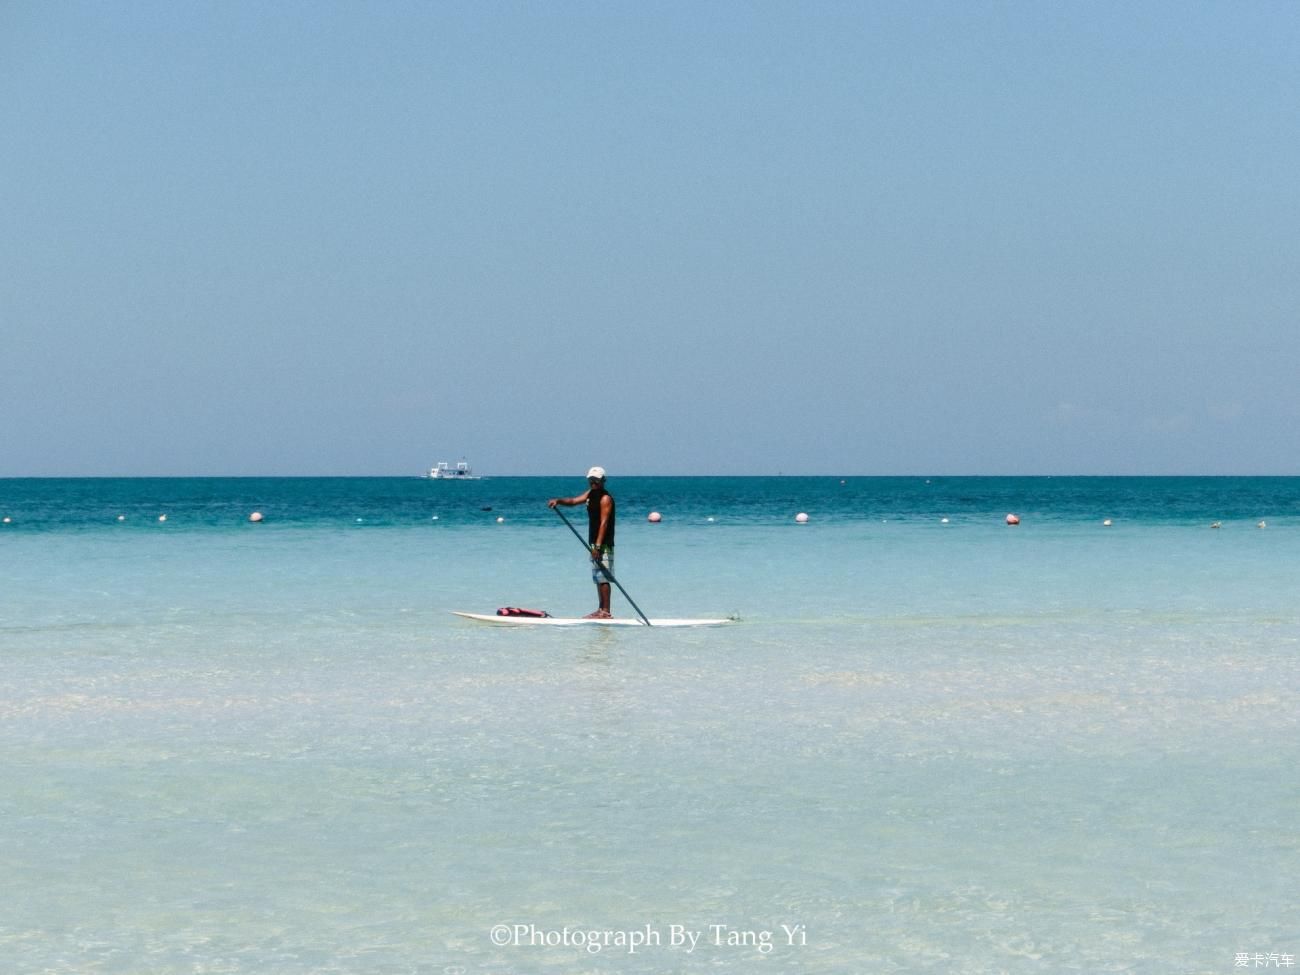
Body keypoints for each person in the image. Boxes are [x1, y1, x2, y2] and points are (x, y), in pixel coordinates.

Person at [548, 466, 616, 618]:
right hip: (594, 543)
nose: (593, 483)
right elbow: (573, 501)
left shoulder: (606, 499)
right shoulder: (591, 494)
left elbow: (604, 524)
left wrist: (598, 547)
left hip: (603, 543)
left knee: (604, 576)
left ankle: (606, 611)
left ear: (603, 481)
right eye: (591, 480)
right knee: (598, 576)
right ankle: (600, 610)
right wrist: (558, 501)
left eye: (596, 480)